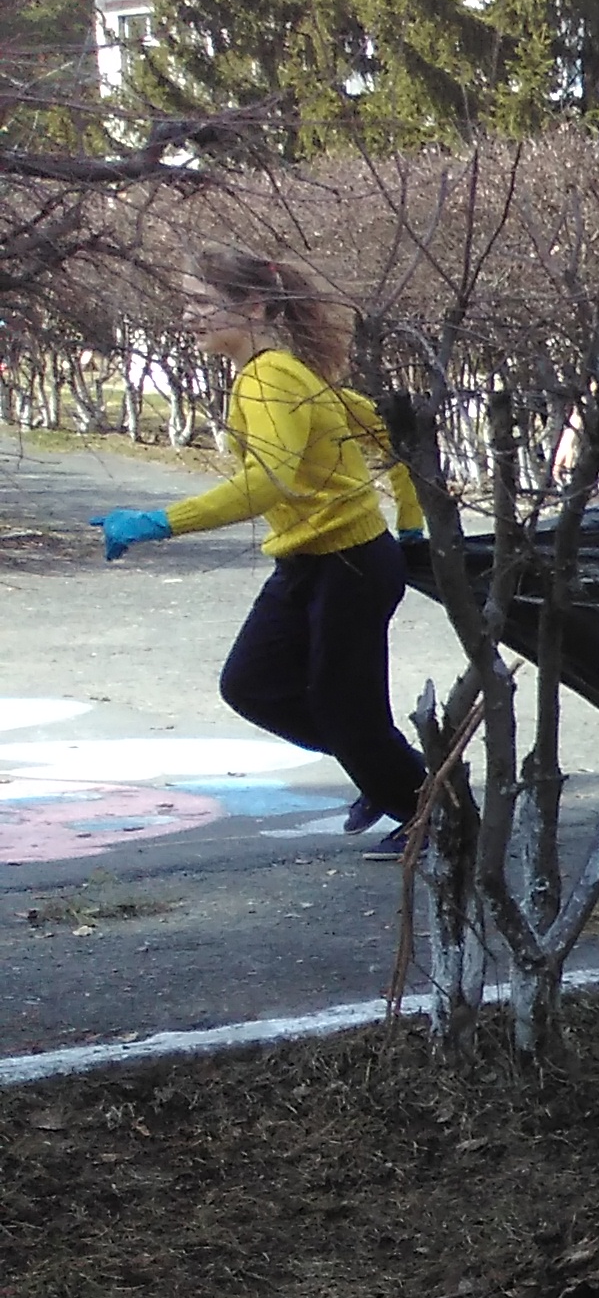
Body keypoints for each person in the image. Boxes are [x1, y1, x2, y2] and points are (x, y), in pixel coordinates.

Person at [91, 248, 429, 853]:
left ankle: (436, 814)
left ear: (252, 306)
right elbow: (383, 429)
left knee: (345, 709)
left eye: (201, 302)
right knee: (252, 684)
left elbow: (267, 482)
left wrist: (161, 522)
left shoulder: (272, 378)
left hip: (348, 564)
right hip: (310, 562)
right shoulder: (279, 373)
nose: (188, 315)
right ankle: (387, 772)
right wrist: (407, 520)